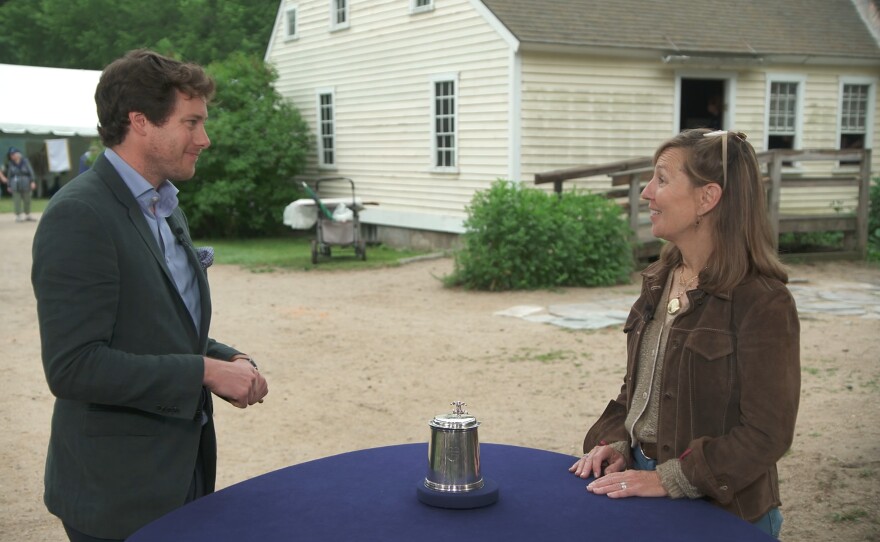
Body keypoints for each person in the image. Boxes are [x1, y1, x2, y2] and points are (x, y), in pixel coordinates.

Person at [31, 49, 269, 542]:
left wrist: (226, 357)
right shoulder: (80, 216)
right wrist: (205, 371)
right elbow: (75, 366)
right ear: (140, 121)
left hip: (180, 471)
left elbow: (154, 323)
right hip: (117, 495)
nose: (204, 139)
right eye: (192, 122)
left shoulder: (163, 204)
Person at [569, 129, 800, 539]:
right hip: (642, 489)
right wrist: (619, 441)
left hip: (725, 515)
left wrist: (671, 479)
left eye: (661, 179)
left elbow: (767, 433)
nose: (647, 194)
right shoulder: (659, 279)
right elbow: (637, 391)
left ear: (707, 198)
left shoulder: (763, 301)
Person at [4, 146, 37, 221]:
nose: (12, 156)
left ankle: (28, 214)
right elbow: (9, 175)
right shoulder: (11, 163)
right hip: (15, 183)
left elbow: (31, 172)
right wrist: (9, 185)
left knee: (27, 199)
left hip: (26, 182)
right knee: (16, 200)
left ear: (18, 154)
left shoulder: (25, 161)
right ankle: (18, 215)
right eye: (11, 155)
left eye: (13, 154)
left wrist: (32, 181)